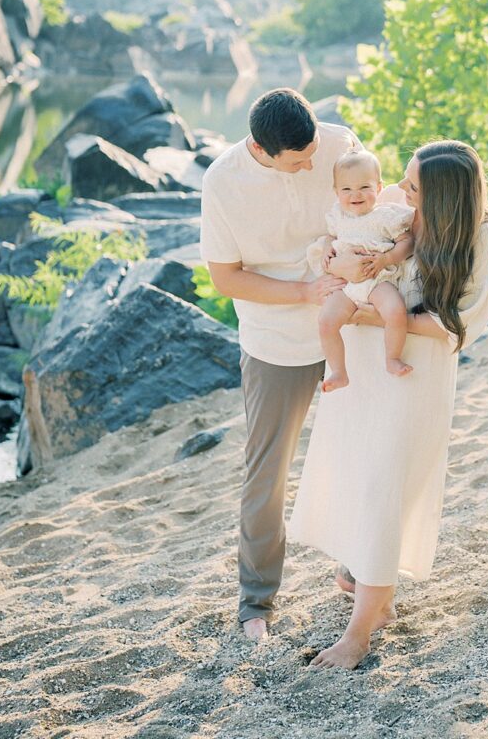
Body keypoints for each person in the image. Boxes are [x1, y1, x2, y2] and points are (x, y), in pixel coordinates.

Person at [288, 139, 488, 669]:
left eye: (412, 186)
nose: (397, 191)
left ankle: (361, 628)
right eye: (403, 180)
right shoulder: (390, 212)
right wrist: (337, 273)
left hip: (414, 369)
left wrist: (367, 316)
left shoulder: (476, 236)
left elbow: (462, 323)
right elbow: (338, 248)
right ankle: (369, 583)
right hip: (362, 361)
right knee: (359, 471)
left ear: (446, 197)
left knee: (386, 479)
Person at [199, 88, 362, 641]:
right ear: (262, 150)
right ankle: (255, 604)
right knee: (267, 474)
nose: (313, 164)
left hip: (350, 324)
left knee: (361, 450)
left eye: (313, 151)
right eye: (299, 161)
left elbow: (370, 208)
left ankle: (358, 568)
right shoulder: (223, 183)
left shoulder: (337, 143)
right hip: (276, 342)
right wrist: (303, 292)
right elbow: (226, 278)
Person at [311, 150, 415, 392]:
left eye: (364, 187)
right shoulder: (337, 216)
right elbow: (330, 236)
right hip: (347, 286)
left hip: (379, 278)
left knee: (395, 311)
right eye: (346, 189)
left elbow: (407, 242)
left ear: (379, 188)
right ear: (337, 192)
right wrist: (327, 246)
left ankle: (392, 358)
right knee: (326, 321)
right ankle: (339, 371)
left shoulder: (386, 216)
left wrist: (385, 258)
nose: (355, 194)